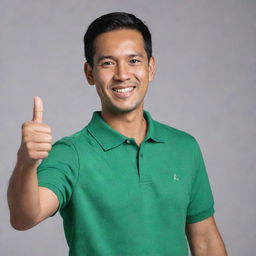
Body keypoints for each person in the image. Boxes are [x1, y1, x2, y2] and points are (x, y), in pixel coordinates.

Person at [7, 12, 228, 256]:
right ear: (90, 73)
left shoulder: (184, 148)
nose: (122, 74)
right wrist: (26, 163)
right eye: (108, 63)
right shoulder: (72, 154)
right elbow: (24, 217)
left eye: (133, 61)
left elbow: (206, 242)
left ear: (150, 67)